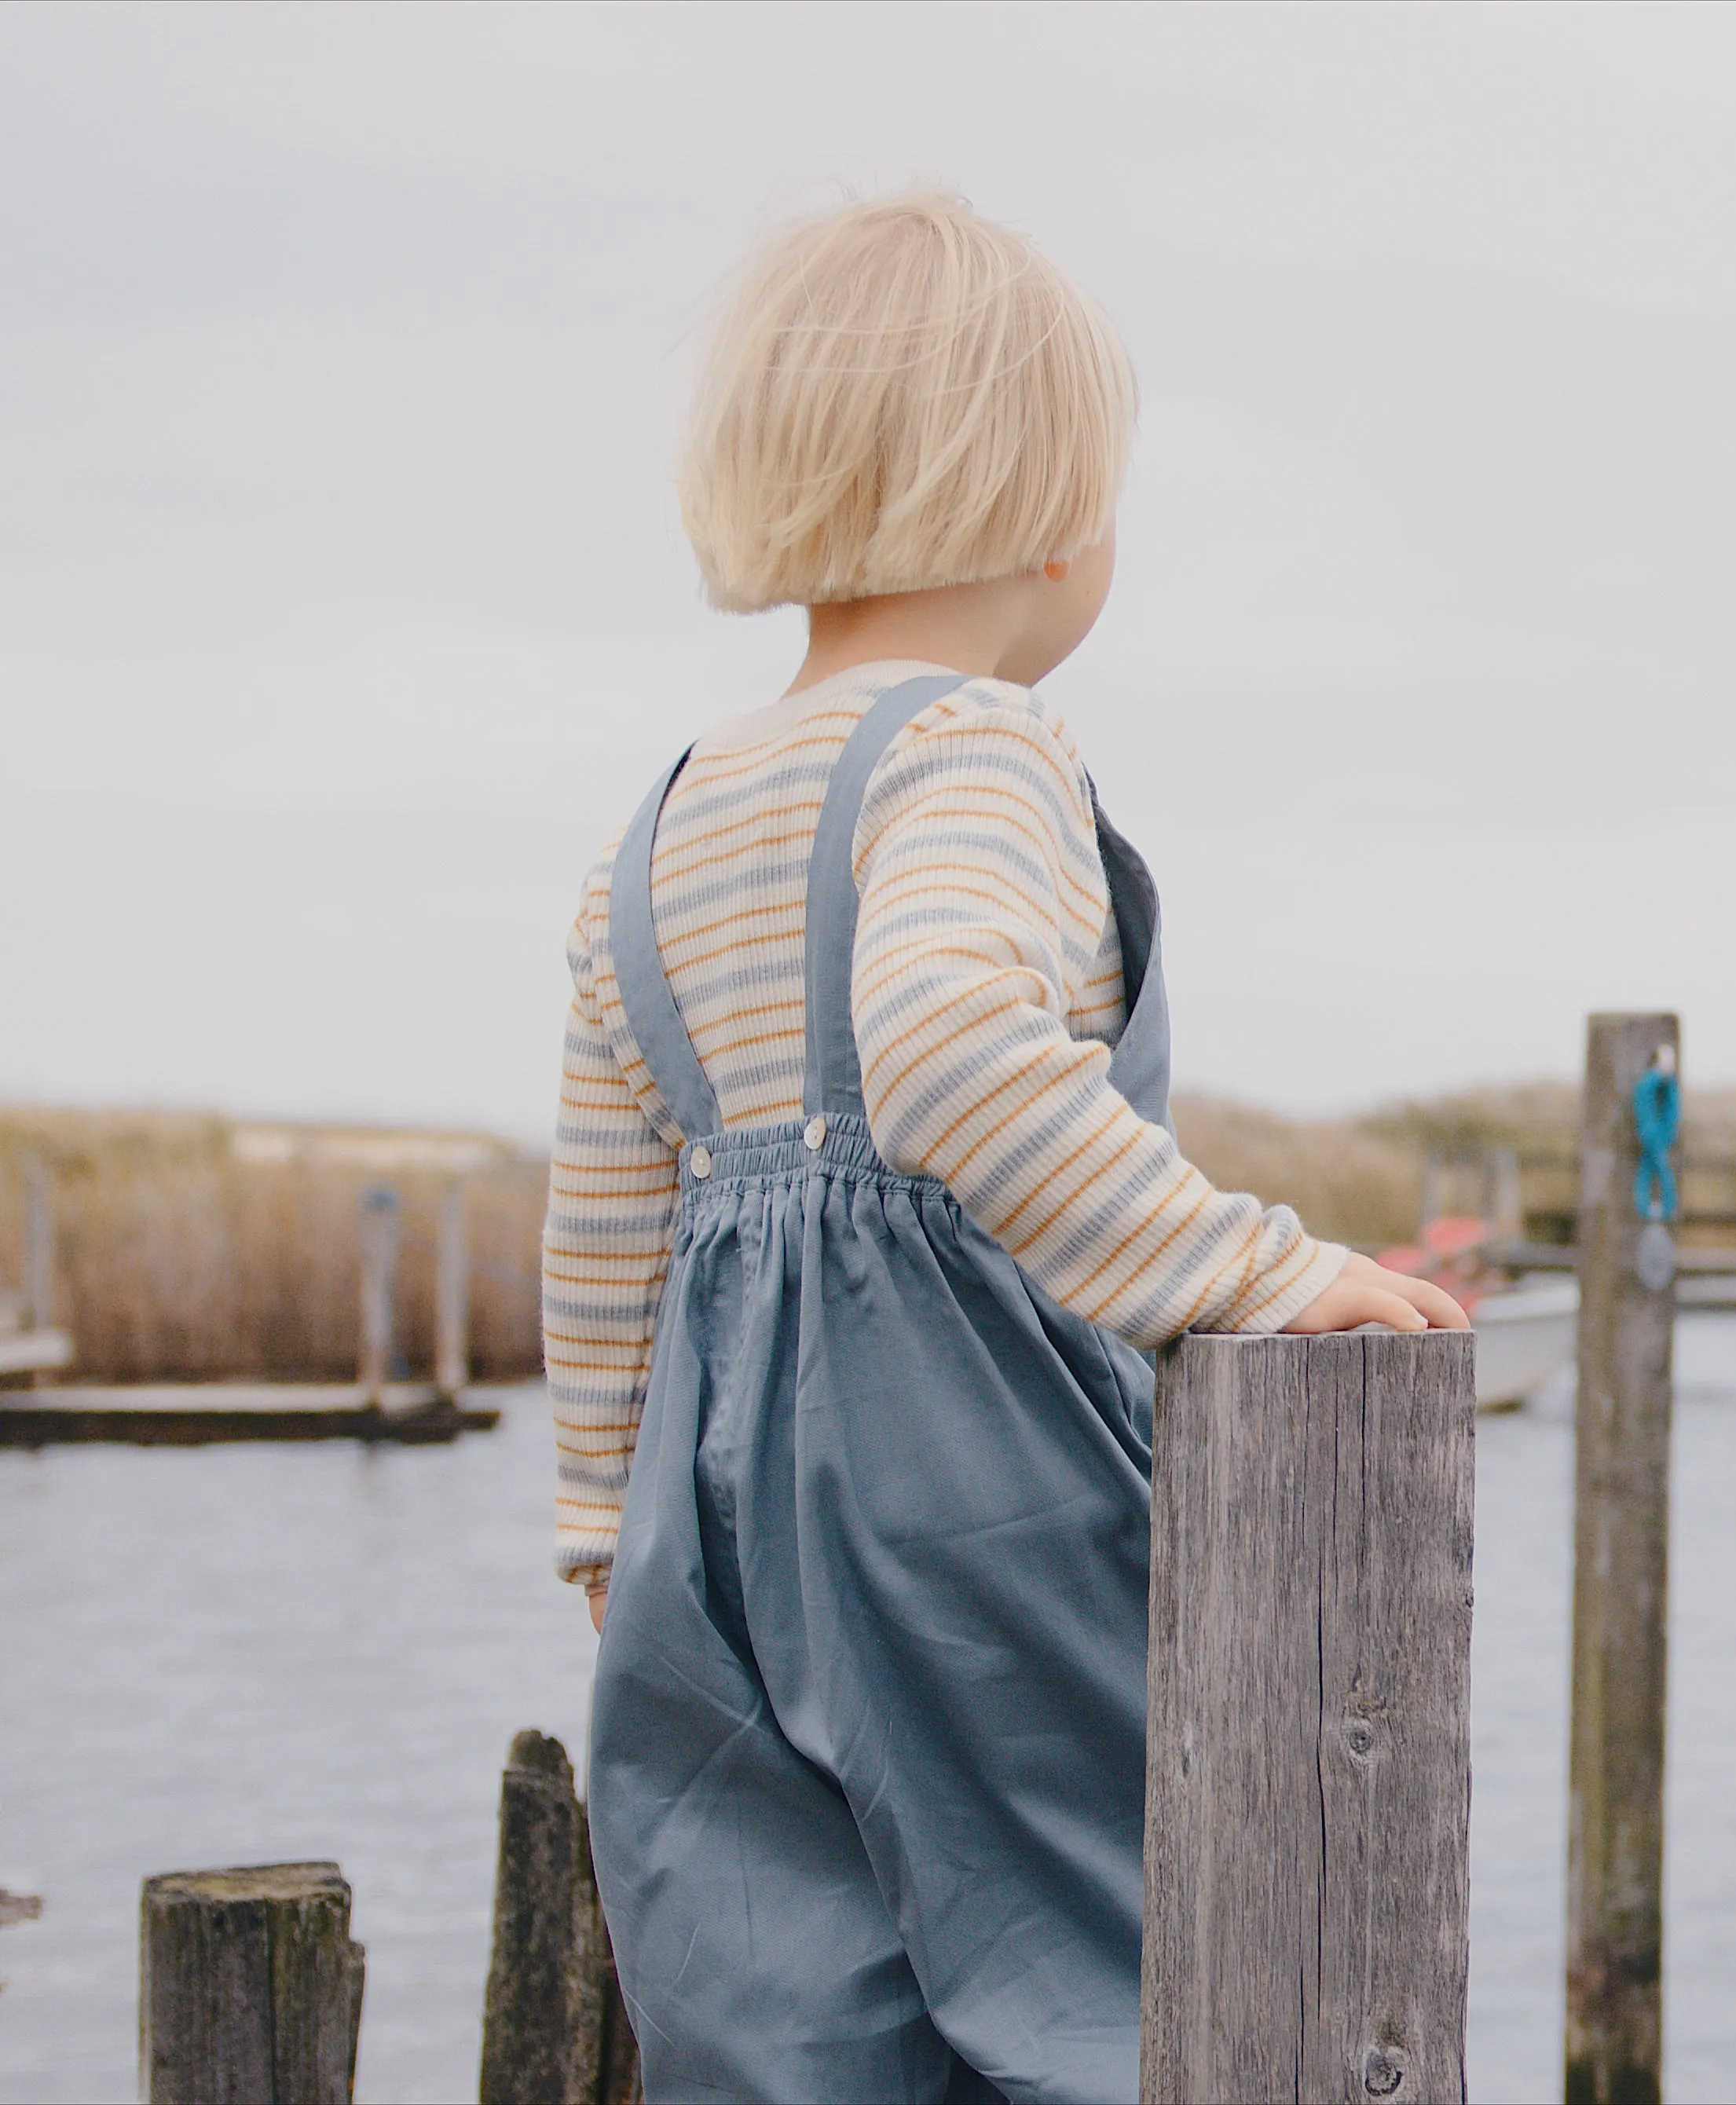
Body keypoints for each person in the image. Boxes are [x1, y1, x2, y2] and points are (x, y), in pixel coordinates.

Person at [540, 190, 1467, 2104]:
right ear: (1058, 509)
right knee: (1117, 1968)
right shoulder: (974, 748)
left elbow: (603, 1225)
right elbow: (953, 1054)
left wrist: (597, 1535)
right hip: (958, 1480)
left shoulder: (659, 832)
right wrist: (1257, 1269)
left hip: (703, 1531)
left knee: (779, 2004)